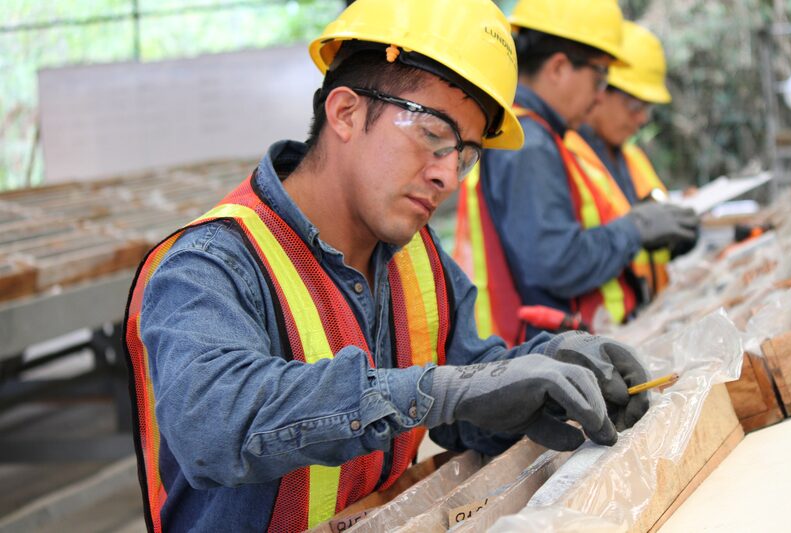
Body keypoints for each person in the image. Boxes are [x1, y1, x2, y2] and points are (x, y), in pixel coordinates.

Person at [123, 1, 650, 531]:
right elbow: (213, 427)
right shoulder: (210, 264)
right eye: (433, 135)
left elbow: (470, 392)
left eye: (464, 154)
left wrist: (548, 373)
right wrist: (440, 392)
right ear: (346, 112)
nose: (448, 175)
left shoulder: (417, 261)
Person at [454, 0, 699, 343]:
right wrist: (635, 228)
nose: (600, 97)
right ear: (558, 68)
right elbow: (557, 262)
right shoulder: (530, 144)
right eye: (600, 78)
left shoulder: (541, 135)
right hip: (544, 354)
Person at [565, 21, 697, 299]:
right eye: (635, 105)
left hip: (643, 317)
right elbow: (562, 261)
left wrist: (677, 235)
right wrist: (638, 229)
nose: (643, 118)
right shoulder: (565, 156)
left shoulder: (632, 157)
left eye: (647, 108)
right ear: (599, 92)